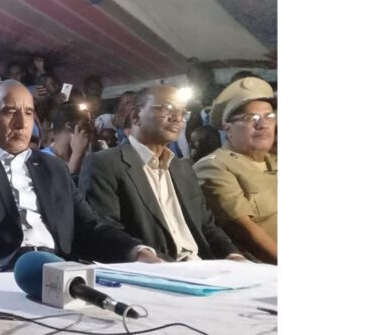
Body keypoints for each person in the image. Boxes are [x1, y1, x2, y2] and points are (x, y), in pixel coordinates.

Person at [0, 80, 160, 274]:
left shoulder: (53, 167)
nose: (21, 123)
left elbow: (89, 226)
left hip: (61, 268)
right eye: (10, 111)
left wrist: (137, 251)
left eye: (29, 113)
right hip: (1, 269)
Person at [79, 85, 242, 262]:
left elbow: (206, 225)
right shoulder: (105, 163)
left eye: (182, 113)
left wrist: (233, 256)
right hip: (156, 267)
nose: (177, 118)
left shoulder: (183, 168)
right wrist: (141, 254)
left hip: (201, 266)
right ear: (135, 116)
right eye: (167, 109)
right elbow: (103, 227)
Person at [193, 77, 277, 263]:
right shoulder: (214, 166)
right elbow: (244, 232)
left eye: (269, 117)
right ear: (228, 128)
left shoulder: (275, 161)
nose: (262, 124)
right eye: (250, 118)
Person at [41, 104, 91, 176]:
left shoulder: (88, 159)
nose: (90, 129)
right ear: (69, 126)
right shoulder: (42, 160)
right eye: (85, 125)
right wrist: (77, 154)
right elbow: (62, 182)